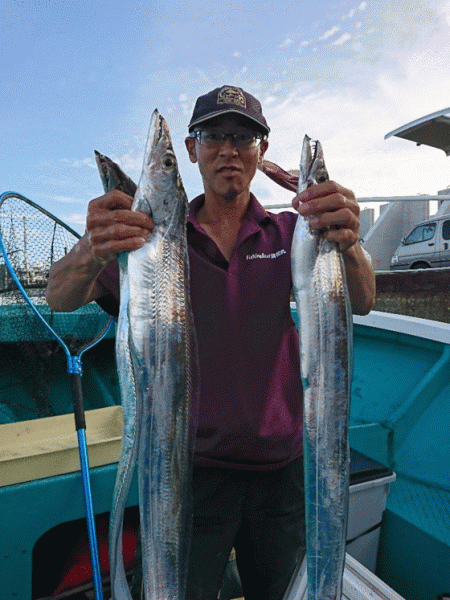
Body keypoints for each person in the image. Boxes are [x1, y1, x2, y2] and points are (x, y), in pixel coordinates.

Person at [46, 85, 376, 600]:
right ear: (193, 146)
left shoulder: (292, 232)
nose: (229, 150)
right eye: (215, 136)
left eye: (244, 137)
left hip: (282, 471)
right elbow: (60, 297)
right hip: (188, 471)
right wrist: (93, 247)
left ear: (262, 151)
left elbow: (363, 300)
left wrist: (349, 242)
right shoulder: (152, 241)